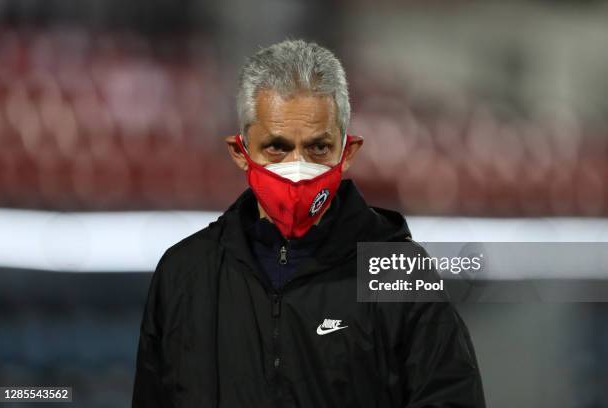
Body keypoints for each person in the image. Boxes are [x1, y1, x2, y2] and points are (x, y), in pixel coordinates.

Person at [132, 39, 485, 408]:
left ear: (347, 152)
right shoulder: (185, 273)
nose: (297, 168)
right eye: (277, 147)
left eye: (318, 148)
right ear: (240, 152)